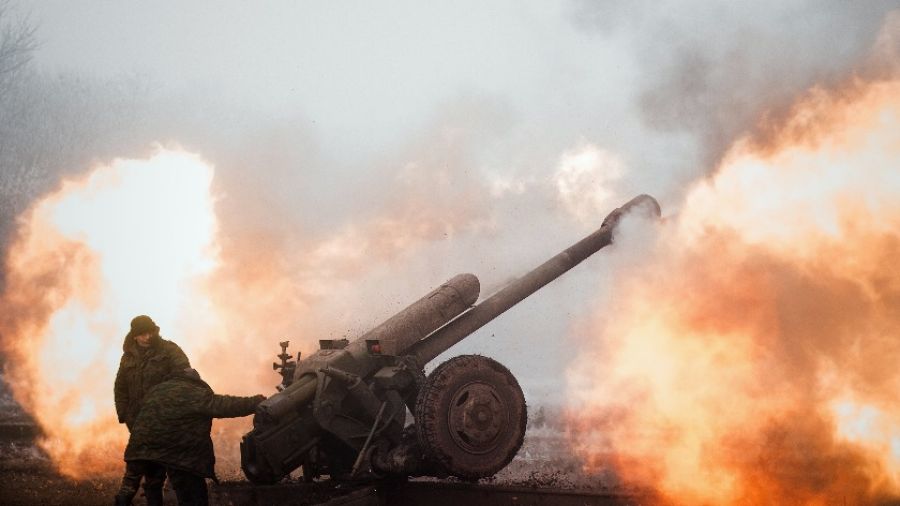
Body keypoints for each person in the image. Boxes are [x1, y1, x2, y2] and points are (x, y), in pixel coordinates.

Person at [123, 367, 266, 506]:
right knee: (193, 497)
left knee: (135, 487)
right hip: (177, 453)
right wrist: (255, 402)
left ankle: (122, 500)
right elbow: (224, 405)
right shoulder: (192, 392)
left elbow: (136, 412)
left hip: (141, 448)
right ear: (195, 381)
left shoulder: (156, 391)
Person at [114, 315, 190, 506]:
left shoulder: (170, 351)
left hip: (165, 421)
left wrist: (174, 410)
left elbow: (186, 378)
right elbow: (120, 386)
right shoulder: (128, 357)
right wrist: (124, 413)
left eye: (150, 332)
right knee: (142, 468)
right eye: (141, 334)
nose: (147, 337)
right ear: (134, 336)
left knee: (163, 470)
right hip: (138, 422)